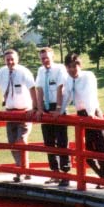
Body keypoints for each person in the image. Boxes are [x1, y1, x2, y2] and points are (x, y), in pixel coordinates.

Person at [59, 52, 104, 189]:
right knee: (87, 153)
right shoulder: (69, 79)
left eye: (74, 67)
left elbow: (90, 95)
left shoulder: (88, 76)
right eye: (69, 67)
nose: (72, 70)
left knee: (101, 148)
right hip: (81, 115)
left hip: (93, 113)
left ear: (79, 65)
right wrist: (59, 112)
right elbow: (67, 96)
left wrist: (91, 114)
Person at [0, 48, 37, 182]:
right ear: (4, 60)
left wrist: (34, 107)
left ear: (17, 59)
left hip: (24, 112)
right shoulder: (2, 72)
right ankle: (23, 169)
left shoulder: (23, 72)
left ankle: (21, 171)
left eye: (12, 59)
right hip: (10, 113)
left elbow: (33, 89)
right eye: (7, 60)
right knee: (12, 142)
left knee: (20, 140)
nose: (10, 62)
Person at [34, 47, 70, 187]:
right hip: (46, 107)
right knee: (49, 143)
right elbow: (39, 89)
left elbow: (61, 88)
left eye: (46, 57)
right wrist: (39, 109)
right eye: (42, 58)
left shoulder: (59, 69)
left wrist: (59, 109)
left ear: (52, 56)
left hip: (58, 107)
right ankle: (54, 173)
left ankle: (65, 174)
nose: (44, 60)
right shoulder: (41, 71)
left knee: (62, 142)